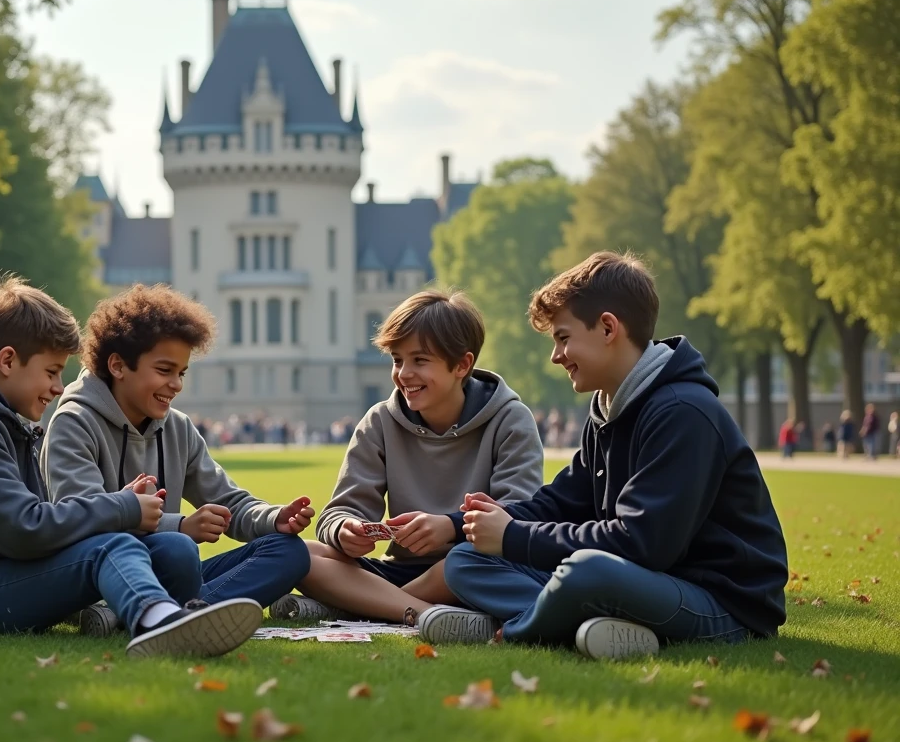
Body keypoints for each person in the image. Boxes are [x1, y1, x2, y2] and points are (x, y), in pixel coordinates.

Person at [421, 252, 788, 659]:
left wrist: (513, 537)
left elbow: (641, 543)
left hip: (720, 604)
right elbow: (561, 503)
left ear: (608, 328)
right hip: (643, 582)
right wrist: (465, 525)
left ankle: (509, 630)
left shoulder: (683, 411)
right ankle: (594, 628)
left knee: (587, 571)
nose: (556, 356)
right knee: (466, 561)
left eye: (563, 338)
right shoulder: (609, 409)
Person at [0, 275, 263, 658]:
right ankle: (161, 621)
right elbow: (26, 527)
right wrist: (122, 507)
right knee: (110, 546)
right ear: (8, 361)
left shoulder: (2, 423)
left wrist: (122, 509)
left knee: (174, 550)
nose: (59, 387)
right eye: (51, 372)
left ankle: (167, 614)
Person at [41, 284, 313, 637]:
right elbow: (79, 520)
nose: (176, 385)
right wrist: (179, 526)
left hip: (173, 572)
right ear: (118, 365)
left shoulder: (178, 427)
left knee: (290, 552)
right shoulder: (74, 422)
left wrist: (275, 517)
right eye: (165, 370)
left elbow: (229, 501)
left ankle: (177, 617)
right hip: (104, 575)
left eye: (181, 373)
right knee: (178, 549)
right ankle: (160, 613)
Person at [273, 289, 543, 629]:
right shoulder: (380, 421)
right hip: (398, 570)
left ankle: (367, 606)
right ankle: (421, 612)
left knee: (461, 562)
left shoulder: (510, 419)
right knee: (293, 553)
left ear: (462, 364)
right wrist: (345, 530)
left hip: (472, 566)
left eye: (420, 360)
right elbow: (338, 513)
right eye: (397, 359)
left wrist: (450, 529)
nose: (403, 373)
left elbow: (518, 517)